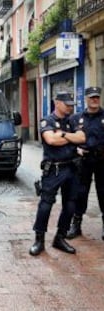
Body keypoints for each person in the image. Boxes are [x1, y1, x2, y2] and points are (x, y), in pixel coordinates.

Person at [29, 92, 86, 256]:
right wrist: (70, 137)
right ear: (57, 103)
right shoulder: (47, 120)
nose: (70, 107)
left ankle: (60, 237)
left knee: (70, 205)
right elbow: (51, 140)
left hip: (72, 168)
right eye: (67, 104)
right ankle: (39, 240)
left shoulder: (72, 120)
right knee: (46, 205)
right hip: (53, 169)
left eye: (71, 104)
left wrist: (61, 134)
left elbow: (82, 137)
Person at [67, 87, 104, 240]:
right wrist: (76, 149)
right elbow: (68, 139)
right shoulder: (75, 118)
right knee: (80, 192)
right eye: (91, 97)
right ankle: (76, 224)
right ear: (86, 99)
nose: (94, 100)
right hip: (84, 160)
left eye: (97, 97)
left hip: (103, 161)